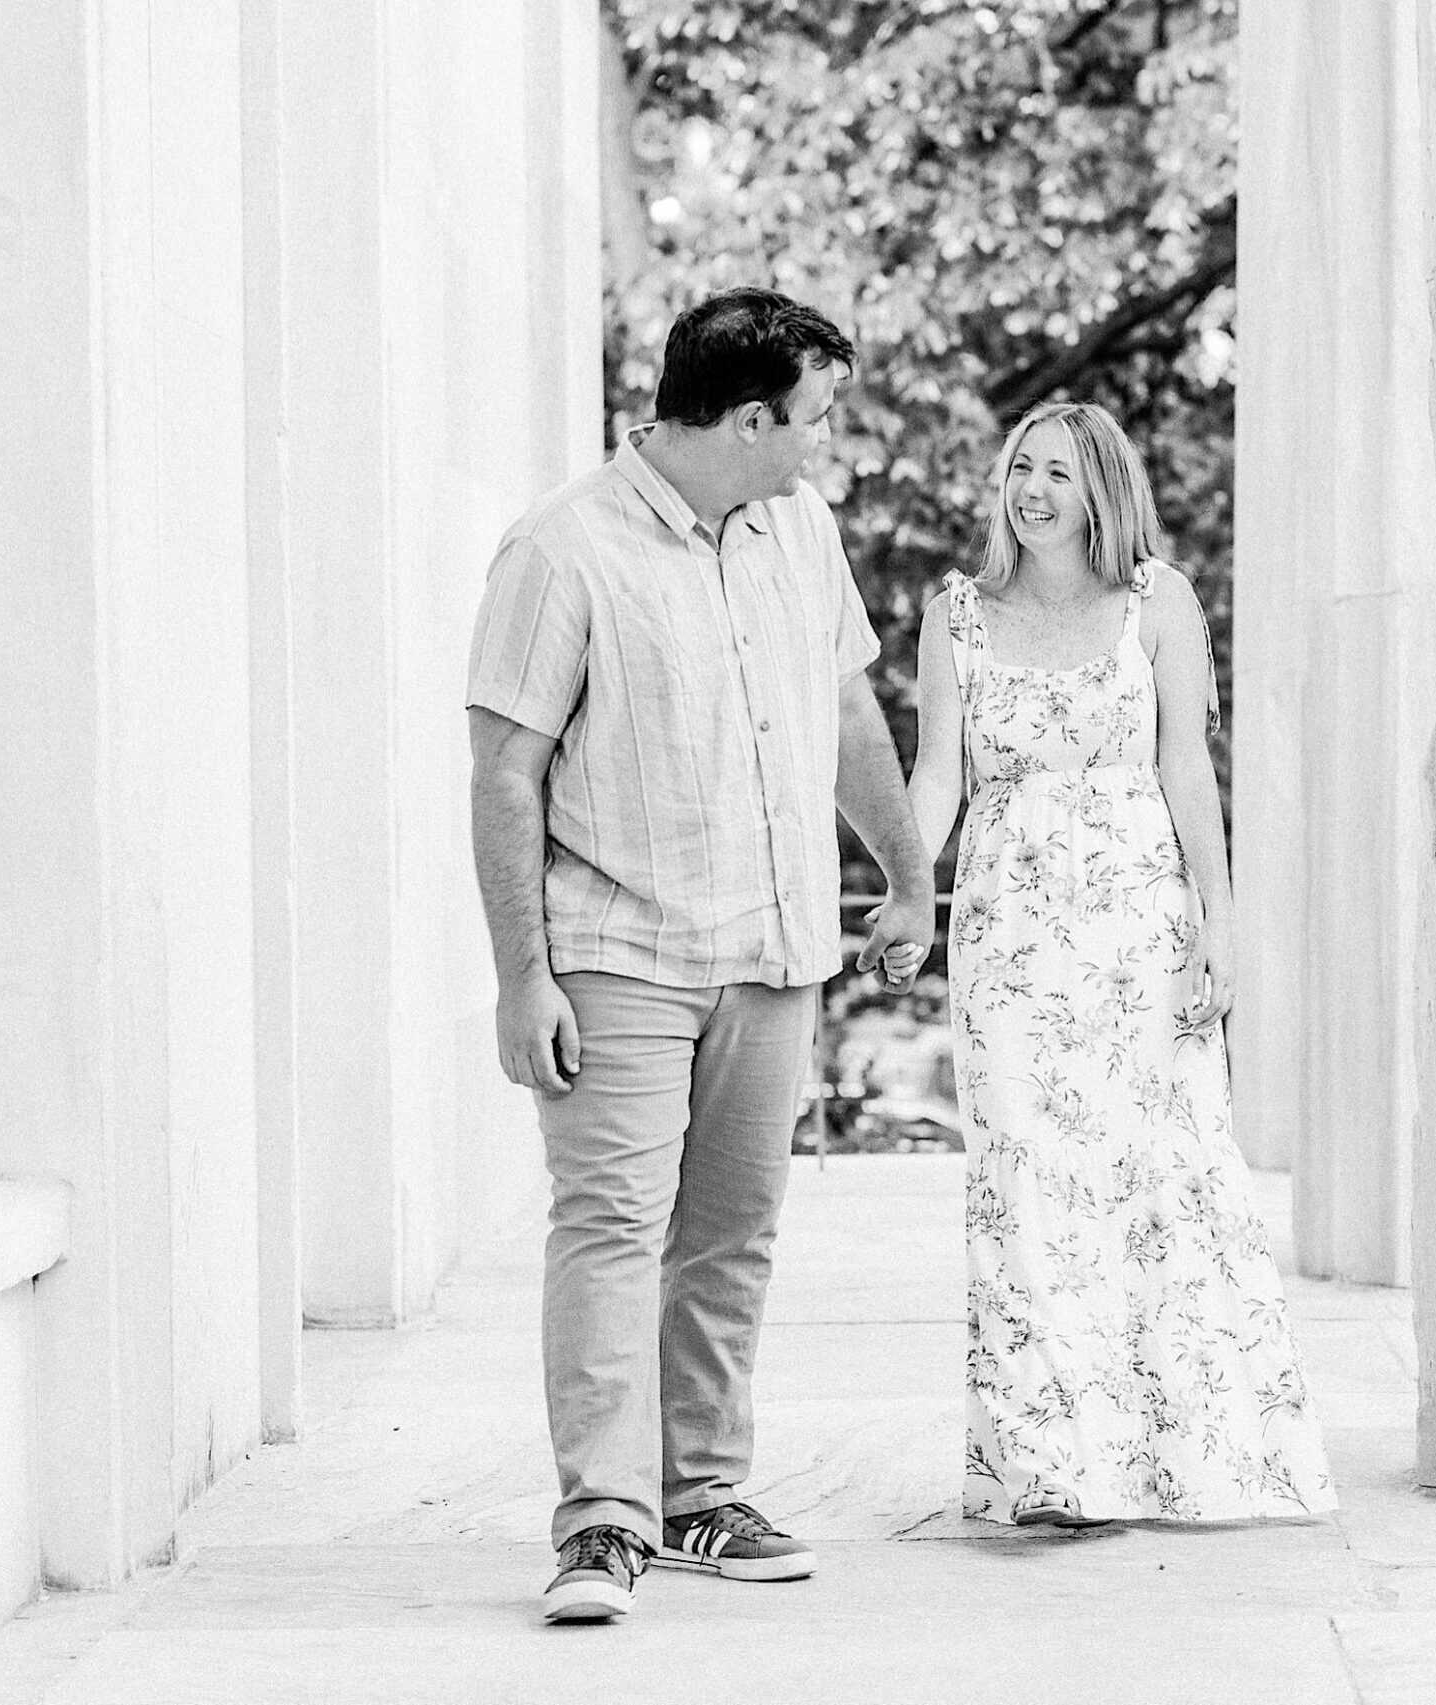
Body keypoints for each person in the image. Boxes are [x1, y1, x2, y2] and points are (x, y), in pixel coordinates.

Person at [466, 287, 934, 1625]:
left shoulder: (800, 533)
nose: (821, 449)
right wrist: (521, 975)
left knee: (730, 1238)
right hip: (619, 948)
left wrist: (907, 878)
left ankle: (701, 1495)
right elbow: (505, 773)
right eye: (815, 423)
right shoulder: (562, 551)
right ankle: (602, 1522)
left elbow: (846, 715)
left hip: (772, 943)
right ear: (747, 419)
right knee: (614, 1227)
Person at [905, 401, 1338, 1527]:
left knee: (1159, 1181)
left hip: (1138, 936)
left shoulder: (1160, 602)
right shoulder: (952, 614)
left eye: (1057, 472)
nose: (1031, 490)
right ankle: (1053, 1466)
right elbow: (936, 784)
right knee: (1026, 1192)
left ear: (1103, 489)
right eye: (1019, 469)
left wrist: (1221, 925)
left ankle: (1187, 1453)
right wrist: (907, 890)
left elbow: (1188, 771)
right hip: (1007, 935)